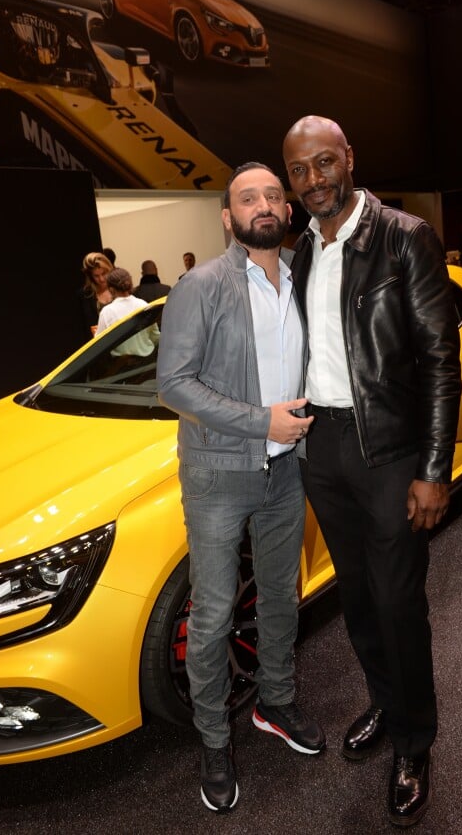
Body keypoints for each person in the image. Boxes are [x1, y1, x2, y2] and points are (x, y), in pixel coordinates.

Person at [282, 116, 462, 829]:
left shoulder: (404, 236)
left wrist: (434, 467)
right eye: (300, 169)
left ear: (349, 158)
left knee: (397, 603)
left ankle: (415, 742)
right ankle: (387, 705)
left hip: (390, 451)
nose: (315, 178)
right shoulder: (302, 248)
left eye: (325, 162)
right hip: (322, 450)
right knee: (356, 600)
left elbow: (440, 361)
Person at [157, 162, 325, 814]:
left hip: (287, 470)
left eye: (273, 195)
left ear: (287, 210)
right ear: (228, 217)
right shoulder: (201, 286)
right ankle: (214, 739)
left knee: (282, 596)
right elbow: (174, 384)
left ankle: (275, 703)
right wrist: (263, 421)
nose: (264, 205)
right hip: (218, 476)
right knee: (215, 613)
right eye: (248, 198)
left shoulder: (303, 281)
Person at [78, 251, 114, 342]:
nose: (101, 279)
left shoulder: (119, 288)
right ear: (90, 276)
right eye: (96, 276)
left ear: (110, 270)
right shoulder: (86, 295)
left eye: (104, 274)